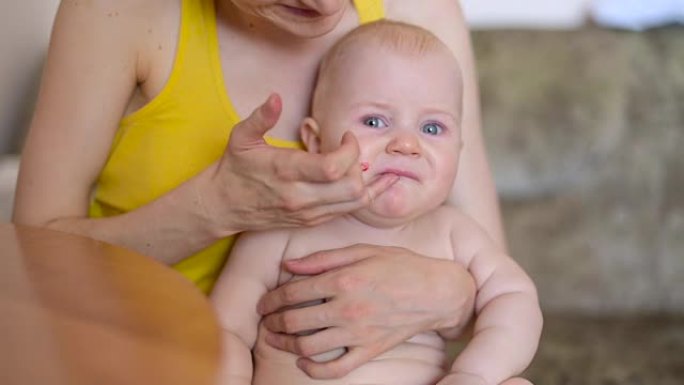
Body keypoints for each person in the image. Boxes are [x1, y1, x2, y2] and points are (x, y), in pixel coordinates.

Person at [12, 1, 528, 382]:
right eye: (374, 120)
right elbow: (26, 269)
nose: (327, 5)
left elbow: (498, 292)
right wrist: (213, 208)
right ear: (310, 134)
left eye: (433, 130)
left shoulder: (423, 14)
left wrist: (454, 296)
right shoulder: (121, 14)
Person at [211, 20, 542, 385]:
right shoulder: (280, 229)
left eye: (431, 128)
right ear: (316, 141)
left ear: (458, 152)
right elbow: (225, 331)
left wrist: (475, 373)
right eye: (375, 120)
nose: (406, 144)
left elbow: (516, 298)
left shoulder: (454, 233)